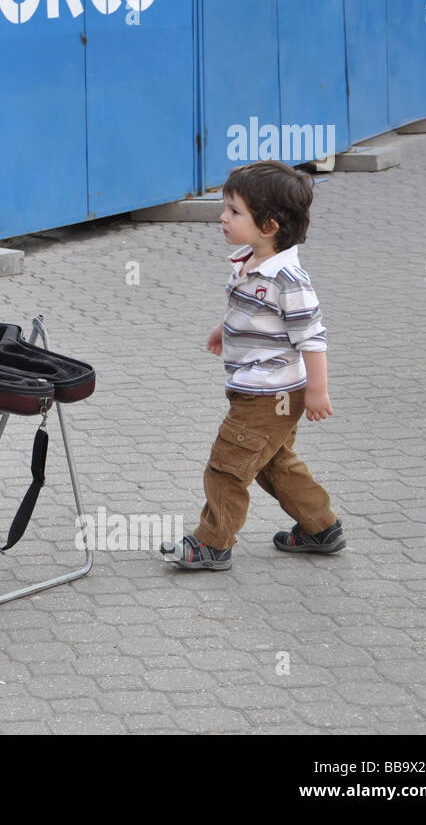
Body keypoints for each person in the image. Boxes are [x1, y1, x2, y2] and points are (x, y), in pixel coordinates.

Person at [161, 160, 345, 569]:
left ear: (270, 226)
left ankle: (212, 543)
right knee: (273, 465)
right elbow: (248, 312)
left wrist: (317, 390)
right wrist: (221, 331)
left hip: (271, 395)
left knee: (227, 467)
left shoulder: (288, 279)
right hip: (260, 391)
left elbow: (312, 337)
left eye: (234, 211)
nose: (222, 217)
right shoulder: (249, 261)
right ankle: (321, 527)